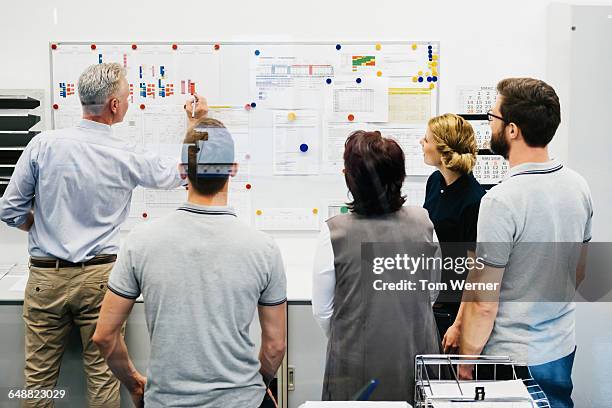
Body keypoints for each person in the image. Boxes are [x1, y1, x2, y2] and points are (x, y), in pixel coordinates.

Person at [0, 62, 191, 407]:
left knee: (38, 382)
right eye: (127, 96)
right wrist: (195, 123)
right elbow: (182, 174)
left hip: (46, 277)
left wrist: (39, 227)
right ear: (114, 106)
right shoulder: (126, 154)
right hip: (101, 280)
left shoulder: (43, 145)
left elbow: (9, 209)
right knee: (103, 380)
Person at [92, 115, 287, 408]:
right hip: (243, 400)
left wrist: (134, 383)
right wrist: (257, 387)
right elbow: (275, 346)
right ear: (233, 170)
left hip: (166, 402)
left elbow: (104, 336)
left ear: (183, 171)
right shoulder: (264, 248)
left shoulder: (140, 242)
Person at [456, 78, 593, 408]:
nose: (488, 124)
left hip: (510, 359)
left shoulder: (501, 201)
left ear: (513, 130)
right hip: (560, 348)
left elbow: (484, 302)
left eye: (492, 117)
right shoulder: (579, 186)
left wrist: (466, 360)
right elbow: (579, 274)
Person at [312, 130, 440, 405]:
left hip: (354, 366)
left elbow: (323, 311)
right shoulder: (423, 224)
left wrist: (353, 336)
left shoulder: (335, 232)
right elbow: (431, 293)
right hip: (415, 355)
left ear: (350, 177)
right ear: (399, 176)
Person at [420, 113, 485, 342]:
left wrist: (459, 325)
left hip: (456, 310)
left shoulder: (474, 200)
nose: (421, 143)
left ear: (443, 149)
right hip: (432, 300)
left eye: (426, 140)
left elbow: (476, 271)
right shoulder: (434, 182)